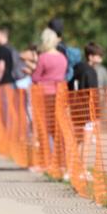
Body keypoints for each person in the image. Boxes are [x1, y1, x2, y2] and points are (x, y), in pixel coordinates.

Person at [32, 28, 69, 163]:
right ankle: (61, 158)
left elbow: (35, 78)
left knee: (44, 127)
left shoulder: (43, 58)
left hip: (45, 95)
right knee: (58, 127)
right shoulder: (63, 58)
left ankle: (48, 158)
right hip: (60, 95)